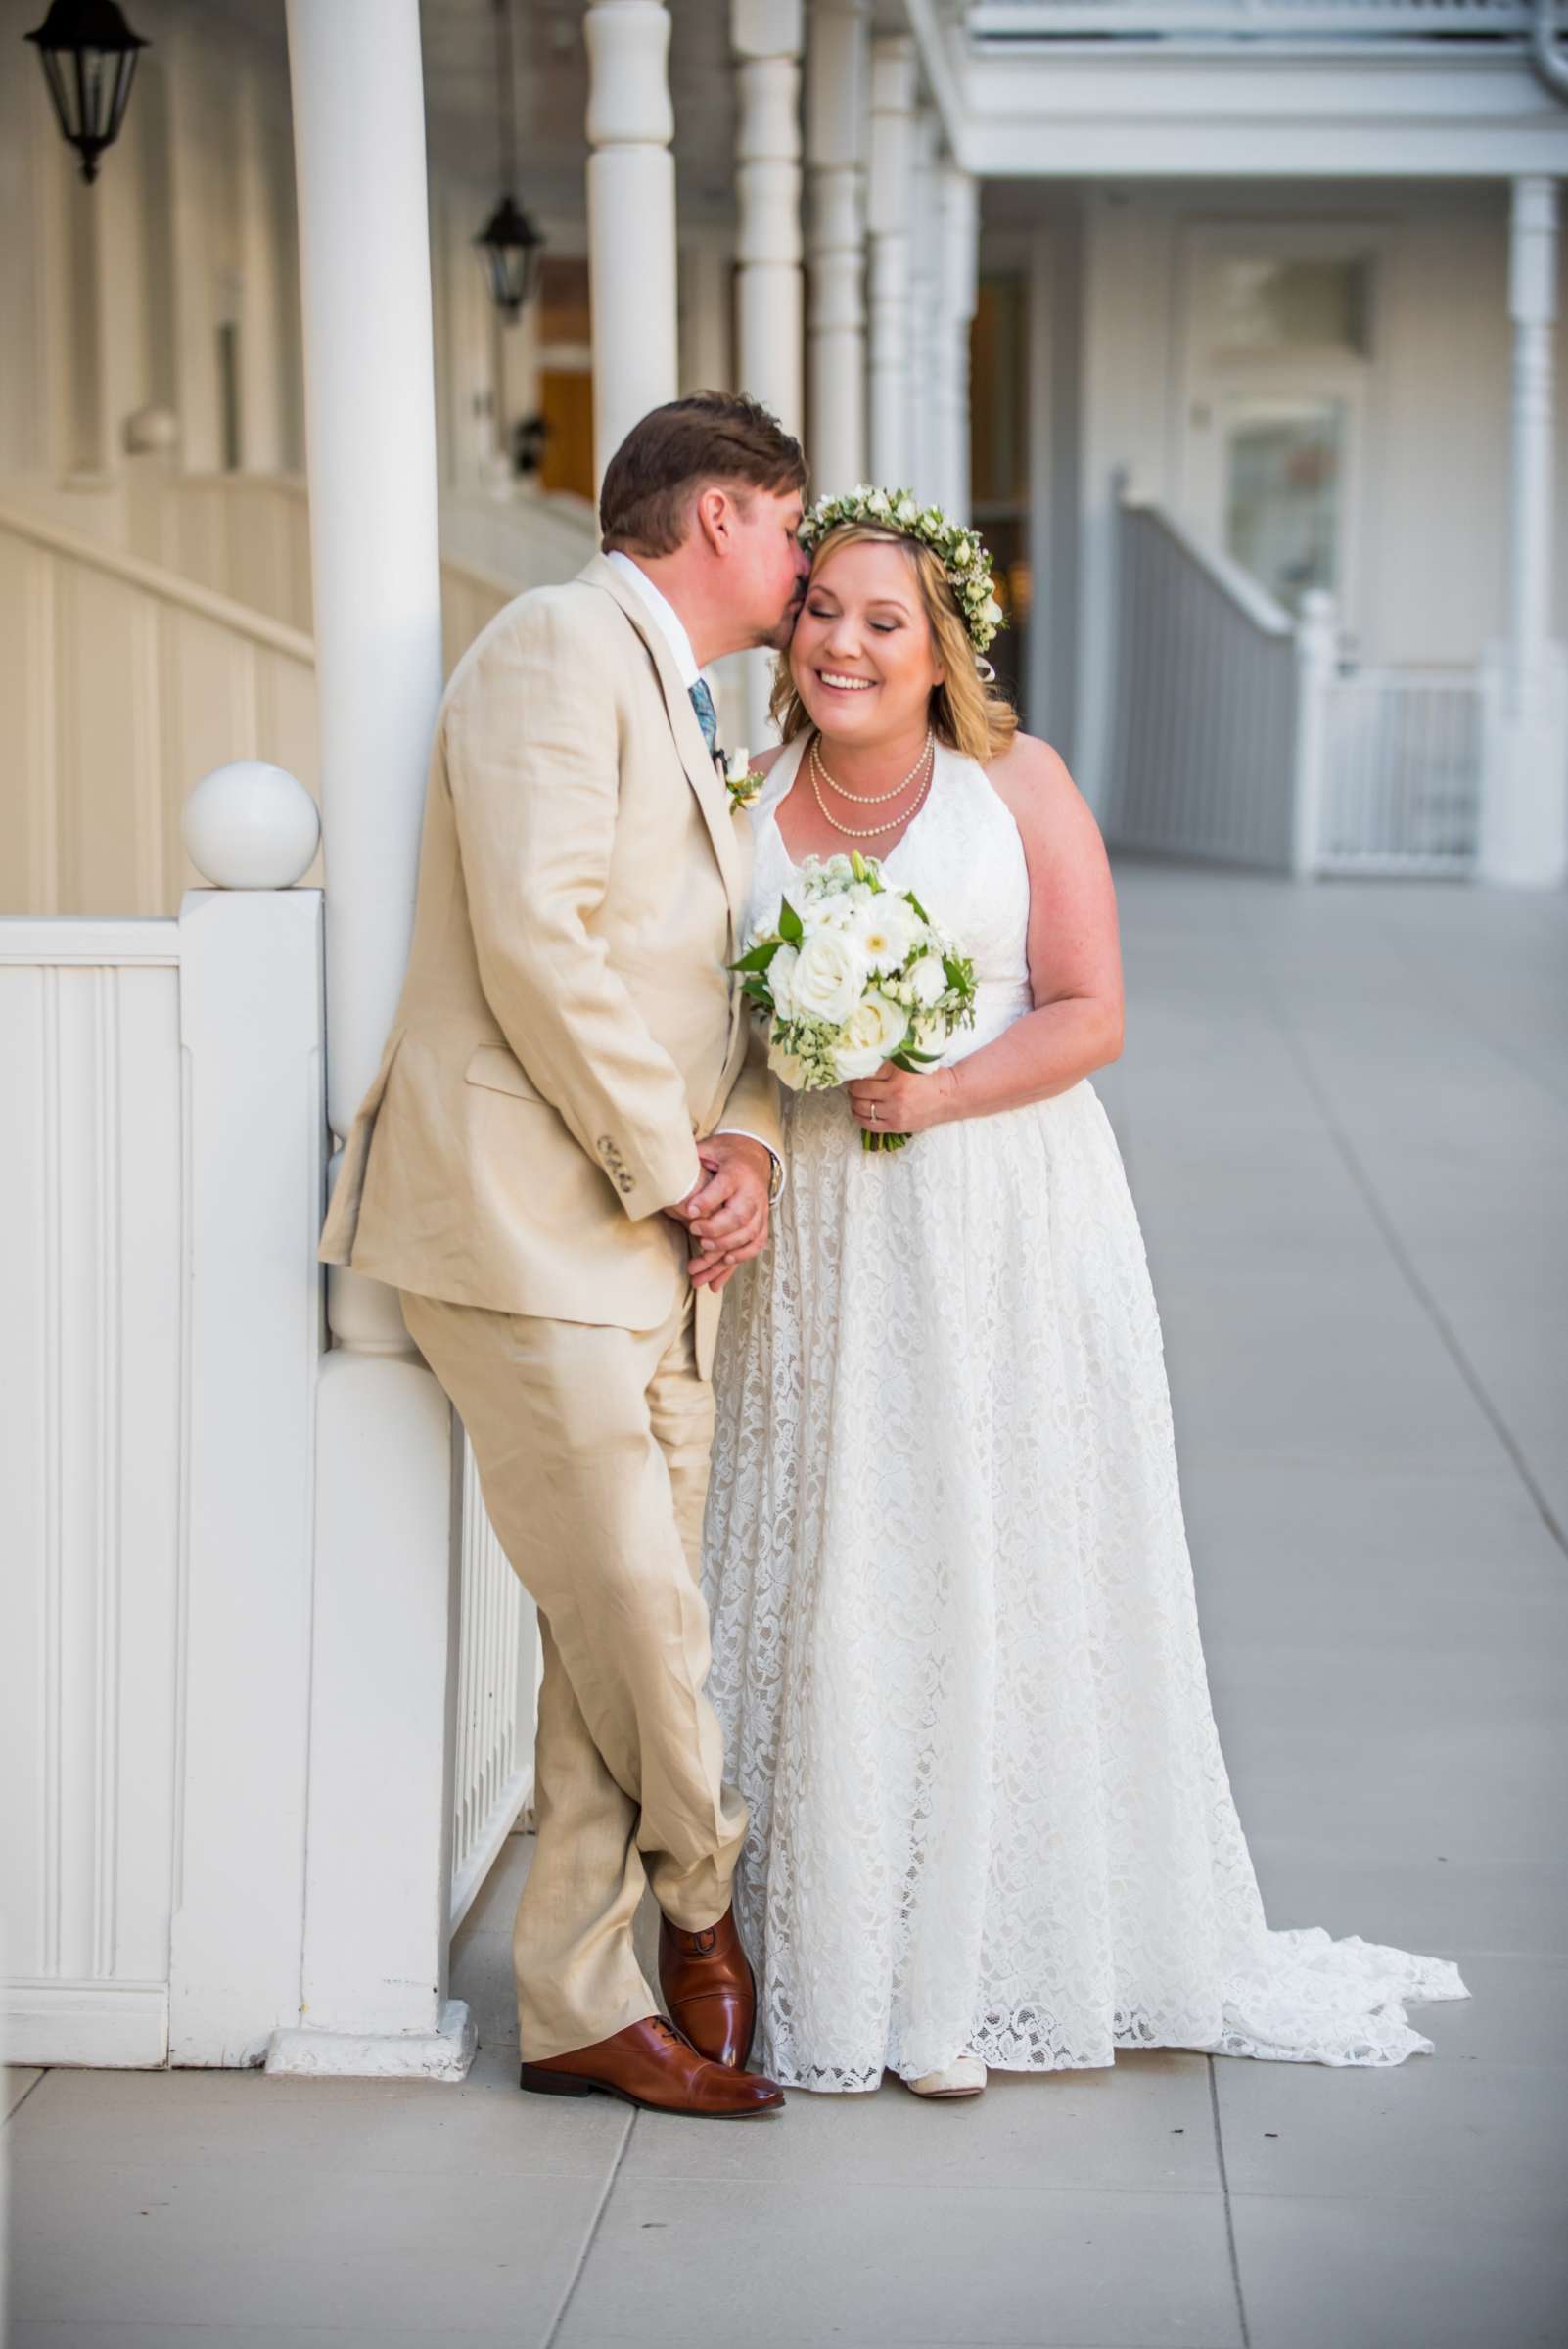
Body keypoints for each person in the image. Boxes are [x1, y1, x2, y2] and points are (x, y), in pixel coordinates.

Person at [701, 488, 1468, 2097]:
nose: (841, 640)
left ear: (942, 649)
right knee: (840, 1551)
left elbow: (1089, 1009)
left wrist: (944, 1092)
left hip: (997, 1212)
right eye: (822, 608)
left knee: (994, 1548)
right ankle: (830, 1938)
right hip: (822, 1240)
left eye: (882, 620)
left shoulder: (1016, 786)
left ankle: (990, 1958)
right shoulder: (743, 790)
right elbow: (707, 1025)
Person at [319, 393, 811, 2119]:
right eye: (791, 522)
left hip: (653, 1239)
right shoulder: (553, 643)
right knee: (627, 1605)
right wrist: (674, 1167)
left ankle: (574, 2003)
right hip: (526, 1219)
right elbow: (539, 938)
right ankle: (706, 1896)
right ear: (722, 516)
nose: (805, 560)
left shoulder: (695, 701)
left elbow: (724, 980)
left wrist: (740, 1143)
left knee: (626, 1624)